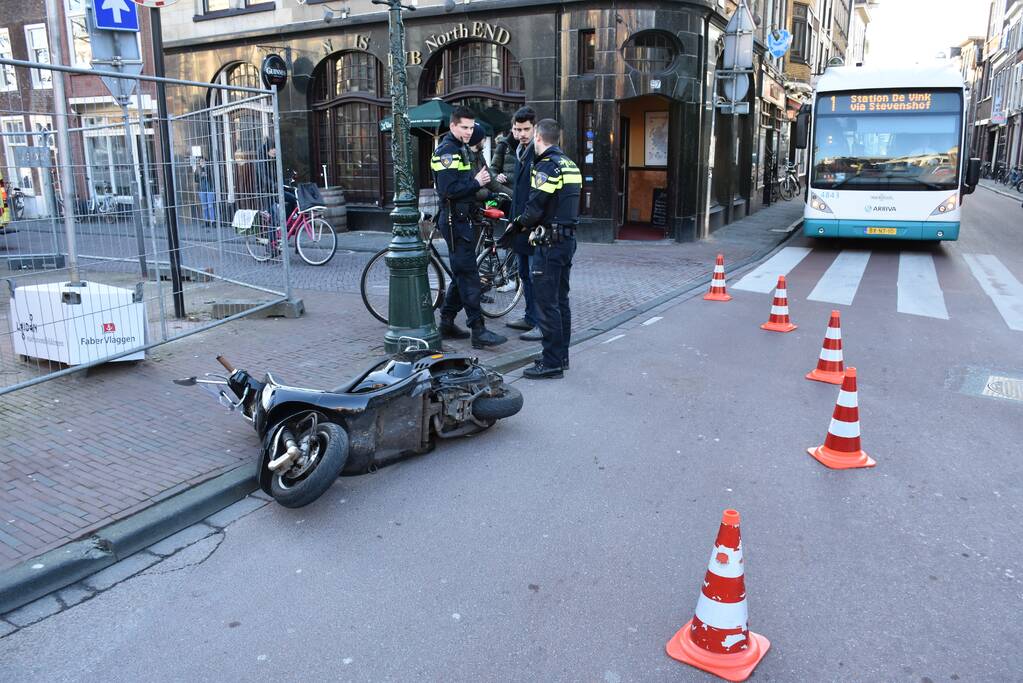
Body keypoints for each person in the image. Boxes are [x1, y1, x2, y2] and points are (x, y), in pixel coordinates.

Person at [508, 118, 582, 379]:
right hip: (567, 241)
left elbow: (535, 207)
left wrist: (516, 224)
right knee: (561, 301)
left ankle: (550, 363)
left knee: (546, 304)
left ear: (538, 137)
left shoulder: (547, 167)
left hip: (549, 243)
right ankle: (561, 357)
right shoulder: (570, 165)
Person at [431, 106, 507, 349]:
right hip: (455, 222)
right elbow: (448, 191)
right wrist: (476, 183)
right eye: (464, 126)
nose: (468, 131)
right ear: (453, 126)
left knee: (463, 274)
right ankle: (478, 330)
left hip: (462, 220)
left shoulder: (460, 148)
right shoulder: (447, 152)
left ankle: (446, 322)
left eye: (471, 127)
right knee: (469, 277)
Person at [502, 107, 542, 342]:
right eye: (517, 129)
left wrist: (526, 223)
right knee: (524, 275)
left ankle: (539, 322)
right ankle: (530, 317)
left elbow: (537, 196)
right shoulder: (519, 150)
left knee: (537, 276)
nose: (521, 133)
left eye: (526, 129)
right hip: (519, 225)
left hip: (532, 228)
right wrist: (511, 221)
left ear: (535, 128)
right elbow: (518, 193)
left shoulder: (538, 154)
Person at [194, 157, 216, 226]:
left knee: (210, 205)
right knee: (204, 206)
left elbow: (213, 177)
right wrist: (201, 176)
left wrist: (207, 174)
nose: (202, 162)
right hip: (201, 190)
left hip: (209, 189)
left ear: (206, 162)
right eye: (200, 161)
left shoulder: (210, 168)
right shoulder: (197, 169)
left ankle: (213, 221)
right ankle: (206, 221)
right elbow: (196, 180)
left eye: (203, 161)